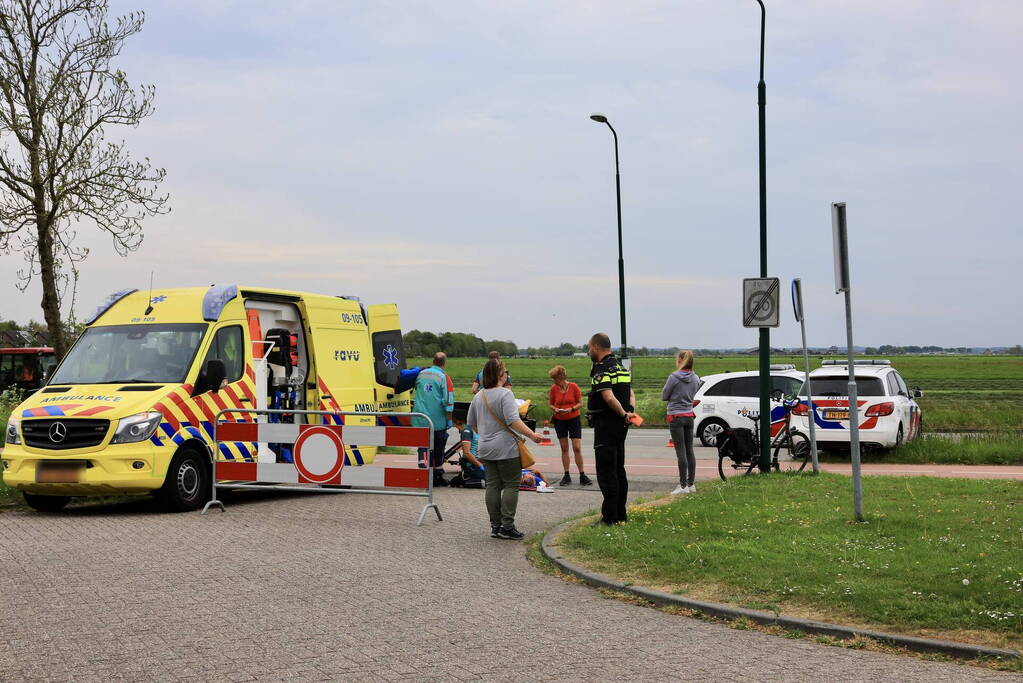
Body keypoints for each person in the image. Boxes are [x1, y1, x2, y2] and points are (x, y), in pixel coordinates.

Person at [466, 358, 544, 540]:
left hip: (485, 448)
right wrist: (532, 436)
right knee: (511, 484)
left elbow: (471, 424)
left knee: (492, 485)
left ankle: (495, 526)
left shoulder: (479, 395)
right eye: (506, 371)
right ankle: (507, 526)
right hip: (506, 448)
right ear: (501, 374)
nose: (507, 374)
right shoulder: (505, 394)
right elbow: (514, 421)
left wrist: (486, 433)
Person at [586, 333, 635, 526]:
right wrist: (629, 412)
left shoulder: (602, 369)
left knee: (606, 471)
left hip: (606, 424)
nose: (589, 351)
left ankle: (609, 517)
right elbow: (630, 393)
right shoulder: (620, 368)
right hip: (621, 426)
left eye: (589, 348)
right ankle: (621, 513)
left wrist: (623, 414)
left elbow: (607, 397)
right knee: (618, 469)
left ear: (596, 348)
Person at [662, 350, 700, 495]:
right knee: (690, 450)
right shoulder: (696, 377)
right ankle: (691, 484)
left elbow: (664, 395)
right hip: (689, 415)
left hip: (675, 416)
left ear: (679, 361)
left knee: (680, 452)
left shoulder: (674, 377)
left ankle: (682, 486)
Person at [547, 365, 591, 487]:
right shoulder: (553, 389)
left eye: (555, 378)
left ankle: (582, 474)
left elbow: (580, 403)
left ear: (561, 376)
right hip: (560, 420)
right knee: (564, 448)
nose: (554, 381)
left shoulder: (574, 387)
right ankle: (566, 475)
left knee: (576, 447)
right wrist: (555, 409)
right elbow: (550, 403)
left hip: (573, 419)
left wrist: (571, 409)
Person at [413, 352, 454, 486]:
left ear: (433, 361)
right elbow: (448, 402)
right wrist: (449, 420)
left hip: (419, 419)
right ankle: (437, 476)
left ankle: (423, 474)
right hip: (437, 422)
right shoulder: (444, 377)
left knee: (423, 446)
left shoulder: (421, 374)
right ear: (444, 363)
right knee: (438, 447)